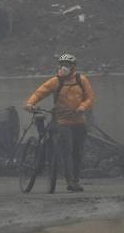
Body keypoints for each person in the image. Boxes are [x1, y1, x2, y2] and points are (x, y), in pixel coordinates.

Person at [24, 53, 95, 192]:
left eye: (67, 65)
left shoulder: (82, 80)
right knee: (67, 150)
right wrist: (30, 103)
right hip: (62, 120)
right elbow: (40, 92)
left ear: (73, 67)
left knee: (78, 152)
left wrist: (82, 107)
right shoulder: (56, 81)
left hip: (79, 120)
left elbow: (90, 98)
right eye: (62, 64)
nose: (64, 67)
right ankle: (71, 182)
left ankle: (76, 179)